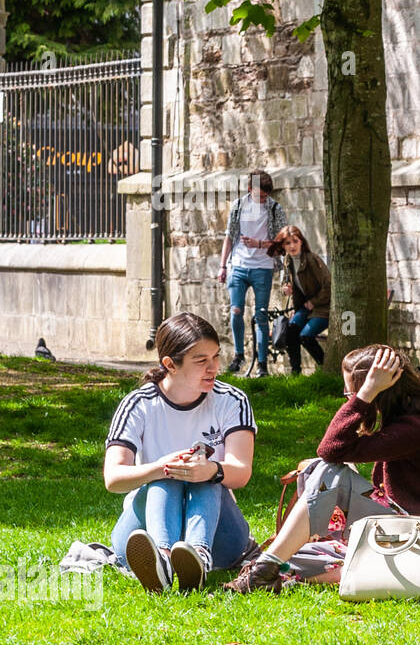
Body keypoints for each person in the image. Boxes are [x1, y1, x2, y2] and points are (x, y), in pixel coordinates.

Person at [226, 344, 420, 593]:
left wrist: (364, 396)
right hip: (408, 527)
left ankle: (265, 570)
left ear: (381, 390)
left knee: (328, 471)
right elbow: (334, 450)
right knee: (293, 552)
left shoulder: (416, 427)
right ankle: (273, 570)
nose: (349, 398)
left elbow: (330, 448)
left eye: (350, 393)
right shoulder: (408, 415)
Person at [104, 313, 256, 593]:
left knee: (204, 475)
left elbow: (241, 471)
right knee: (167, 474)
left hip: (221, 533)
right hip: (145, 528)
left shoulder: (233, 401)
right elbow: (113, 478)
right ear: (170, 364)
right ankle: (160, 559)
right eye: (201, 361)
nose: (214, 368)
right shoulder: (138, 404)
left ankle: (198, 556)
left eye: (216, 357)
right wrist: (160, 467)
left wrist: (211, 469)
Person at [217, 170, 288, 378]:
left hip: (263, 267)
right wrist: (222, 266)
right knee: (236, 310)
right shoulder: (239, 206)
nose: (264, 199)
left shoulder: (275, 209)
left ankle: (262, 364)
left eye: (267, 195)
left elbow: (281, 242)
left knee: (261, 314)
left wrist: (258, 244)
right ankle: (239, 355)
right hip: (238, 265)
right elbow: (230, 237)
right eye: (261, 195)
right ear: (250, 189)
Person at [273, 225, 331, 375]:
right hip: (305, 308)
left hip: (323, 306)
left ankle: (326, 369)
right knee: (291, 331)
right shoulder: (287, 261)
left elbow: (329, 286)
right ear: (283, 246)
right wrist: (286, 289)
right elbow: (290, 285)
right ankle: (296, 372)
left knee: (305, 336)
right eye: (287, 243)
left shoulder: (312, 260)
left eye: (295, 241)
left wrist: (314, 302)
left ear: (301, 242)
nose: (292, 246)